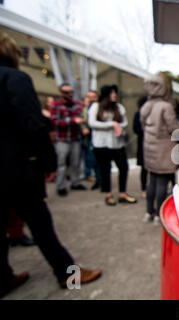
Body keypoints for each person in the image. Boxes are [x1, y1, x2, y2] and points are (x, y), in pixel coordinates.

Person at [0, 32, 101, 297]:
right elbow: (32, 124)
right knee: (41, 225)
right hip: (15, 168)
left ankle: (2, 279)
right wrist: (48, 159)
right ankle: (68, 274)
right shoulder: (14, 79)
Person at [88, 85, 137, 206]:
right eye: (112, 93)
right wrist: (112, 124)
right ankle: (108, 194)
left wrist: (118, 126)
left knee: (124, 168)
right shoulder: (95, 107)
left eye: (115, 92)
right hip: (101, 145)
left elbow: (124, 122)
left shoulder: (119, 107)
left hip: (117, 144)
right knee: (105, 169)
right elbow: (92, 123)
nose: (115, 95)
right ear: (106, 95)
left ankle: (122, 194)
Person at [141, 74, 179, 224]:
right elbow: (173, 129)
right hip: (164, 150)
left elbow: (143, 126)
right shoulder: (166, 106)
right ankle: (159, 215)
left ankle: (148, 212)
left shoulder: (146, 106)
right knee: (162, 183)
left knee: (152, 181)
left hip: (150, 149)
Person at [50, 83, 87, 196]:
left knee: (75, 162)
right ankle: (61, 186)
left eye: (71, 92)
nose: (69, 94)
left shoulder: (77, 104)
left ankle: (75, 183)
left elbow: (83, 114)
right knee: (61, 164)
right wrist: (72, 120)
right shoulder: (56, 105)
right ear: (60, 93)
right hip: (62, 139)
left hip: (75, 138)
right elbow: (55, 121)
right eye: (66, 92)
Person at [81, 90, 102, 190]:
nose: (91, 99)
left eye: (94, 96)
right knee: (92, 159)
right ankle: (97, 179)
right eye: (90, 97)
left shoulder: (99, 108)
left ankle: (101, 180)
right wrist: (83, 127)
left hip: (98, 138)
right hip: (89, 138)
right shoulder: (85, 109)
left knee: (99, 161)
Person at [133, 96, 148, 198]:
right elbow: (135, 129)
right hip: (143, 144)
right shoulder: (138, 114)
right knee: (144, 169)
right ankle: (144, 188)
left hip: (146, 145)